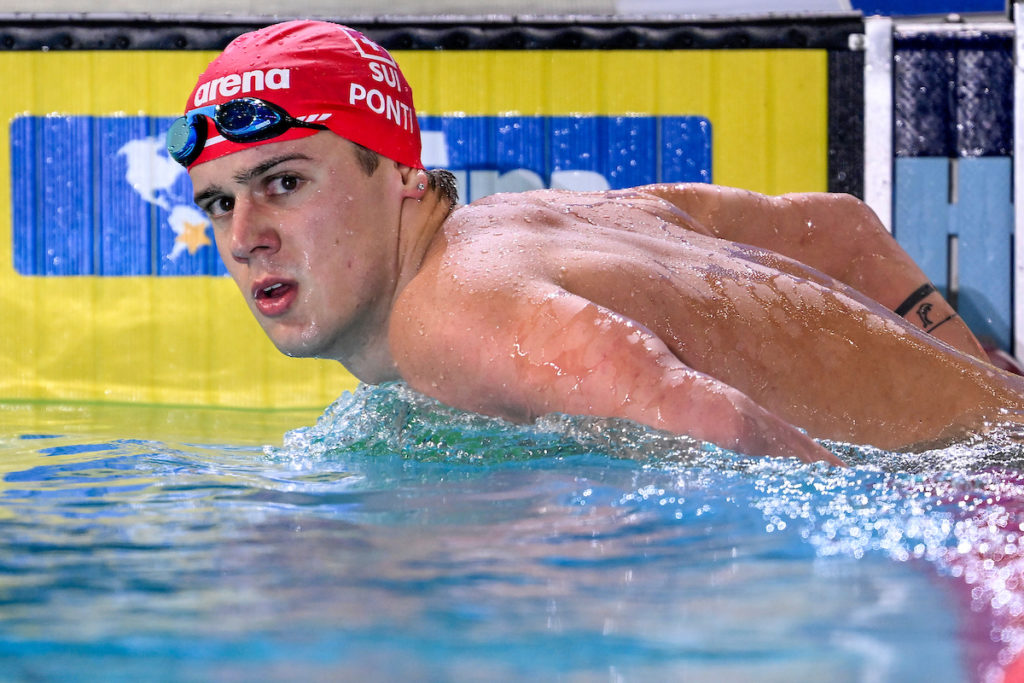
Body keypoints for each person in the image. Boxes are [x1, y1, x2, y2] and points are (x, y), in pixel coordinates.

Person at [168, 20, 1024, 466]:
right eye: (217, 203)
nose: (245, 238)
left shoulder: (445, 318)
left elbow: (700, 415)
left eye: (285, 182)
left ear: (397, 171)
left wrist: (940, 518)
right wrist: (982, 386)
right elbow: (840, 228)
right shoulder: (530, 227)